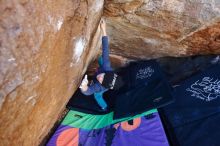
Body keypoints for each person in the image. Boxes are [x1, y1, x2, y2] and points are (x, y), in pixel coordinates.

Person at [79, 19, 123, 110]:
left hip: (101, 88)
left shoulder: (100, 87)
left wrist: (84, 86)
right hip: (104, 69)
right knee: (101, 59)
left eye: (102, 81)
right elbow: (105, 50)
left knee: (97, 96)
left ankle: (104, 107)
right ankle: (99, 66)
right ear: (107, 72)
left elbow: (88, 92)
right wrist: (104, 30)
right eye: (103, 76)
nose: (100, 78)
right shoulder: (106, 67)